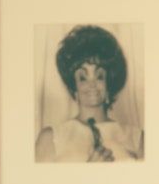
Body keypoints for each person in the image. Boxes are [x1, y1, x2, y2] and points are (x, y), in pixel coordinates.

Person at [35, 24, 143, 162]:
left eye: (99, 76)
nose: (91, 84)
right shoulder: (50, 139)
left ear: (108, 83)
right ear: (74, 87)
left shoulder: (137, 139)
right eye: (82, 77)